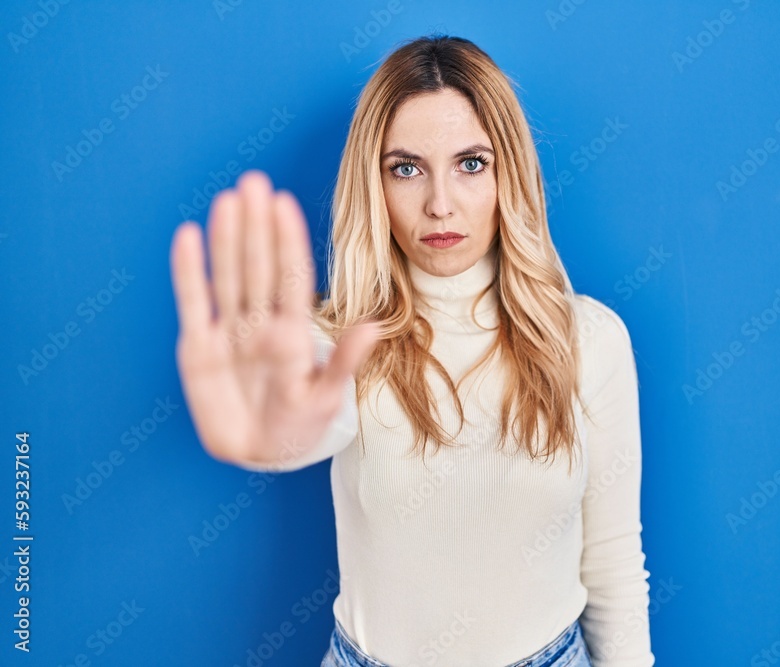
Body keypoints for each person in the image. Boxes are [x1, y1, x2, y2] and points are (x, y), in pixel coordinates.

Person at [169, 34, 653, 667]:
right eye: (406, 168)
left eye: (471, 163)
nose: (439, 204)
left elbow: (614, 564)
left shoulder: (590, 341)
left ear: (509, 172)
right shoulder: (338, 343)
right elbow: (309, 411)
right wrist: (273, 436)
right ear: (374, 185)